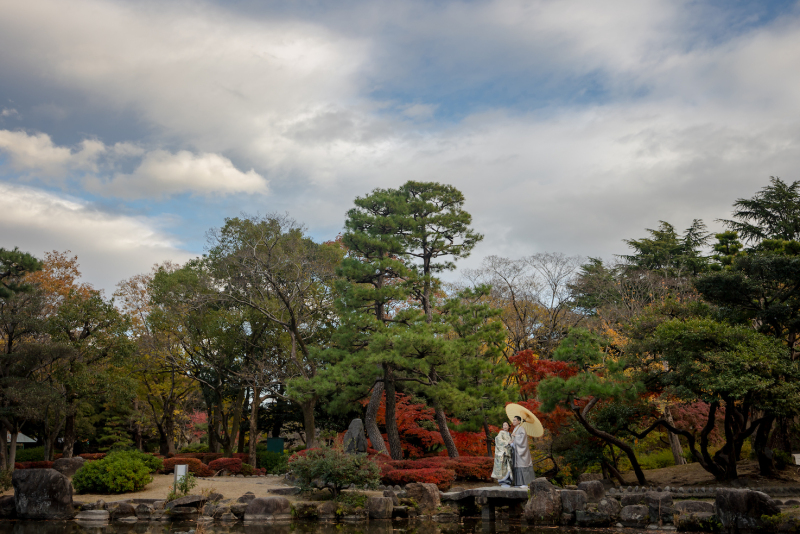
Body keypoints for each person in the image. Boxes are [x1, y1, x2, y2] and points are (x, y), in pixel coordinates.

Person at [510, 415, 535, 488]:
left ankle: (526, 483)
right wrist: (512, 442)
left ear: (519, 421)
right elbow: (514, 439)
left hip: (521, 452)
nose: (513, 421)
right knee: (517, 466)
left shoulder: (521, 428)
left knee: (523, 466)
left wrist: (516, 436)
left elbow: (523, 439)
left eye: (515, 420)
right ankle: (518, 483)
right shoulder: (515, 428)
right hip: (516, 451)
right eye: (513, 420)